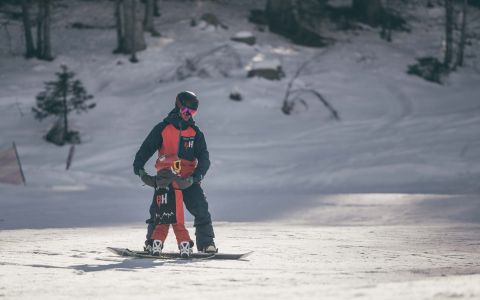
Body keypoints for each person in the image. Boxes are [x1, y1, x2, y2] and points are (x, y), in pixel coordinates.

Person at [133, 91, 217, 255]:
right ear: (178, 107)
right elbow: (145, 150)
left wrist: (195, 177)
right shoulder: (162, 128)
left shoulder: (195, 133)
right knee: (158, 212)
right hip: (166, 180)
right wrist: (140, 170)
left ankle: (206, 244)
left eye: (193, 113)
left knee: (201, 209)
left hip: (188, 180)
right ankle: (152, 243)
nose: (189, 115)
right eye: (186, 111)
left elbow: (204, 160)